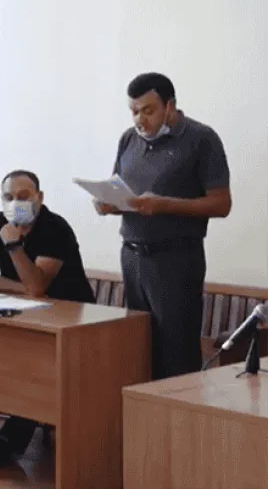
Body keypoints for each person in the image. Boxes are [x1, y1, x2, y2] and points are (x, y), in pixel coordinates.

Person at [0, 169, 96, 467]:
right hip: (26, 313)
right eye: (9, 197)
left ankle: (11, 439)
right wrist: (24, 289)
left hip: (74, 320)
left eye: (24, 196)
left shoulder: (54, 228)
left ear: (39, 198)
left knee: (38, 363)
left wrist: (14, 247)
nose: (16, 202)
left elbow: (38, 285)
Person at [94, 72, 231, 380]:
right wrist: (109, 204)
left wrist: (164, 204)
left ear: (170, 106)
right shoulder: (129, 139)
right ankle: (143, 412)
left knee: (176, 355)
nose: (140, 120)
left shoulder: (201, 138)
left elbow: (222, 204)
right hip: (132, 256)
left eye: (148, 110)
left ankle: (177, 412)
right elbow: (123, 191)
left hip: (175, 259)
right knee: (139, 349)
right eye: (134, 111)